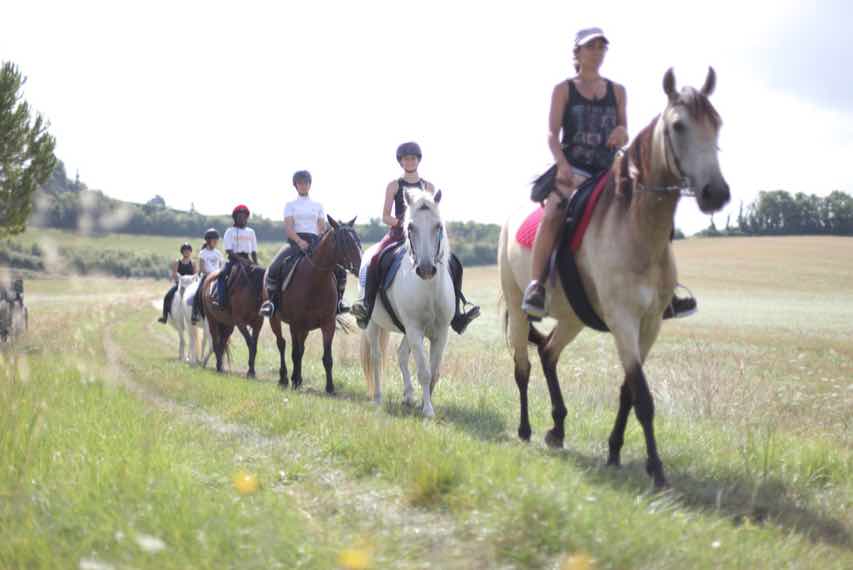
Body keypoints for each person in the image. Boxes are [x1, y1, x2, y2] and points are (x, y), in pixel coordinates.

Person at [521, 27, 697, 320]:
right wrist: (562, 166)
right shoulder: (564, 89)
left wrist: (621, 133)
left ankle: (666, 291)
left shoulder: (617, 91)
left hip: (609, 170)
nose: (598, 51)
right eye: (591, 46)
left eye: (602, 46)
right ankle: (537, 286)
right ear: (577, 52)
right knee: (553, 212)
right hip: (573, 168)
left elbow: (624, 131)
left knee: (654, 210)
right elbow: (552, 134)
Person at [350, 142, 480, 334]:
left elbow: (434, 216)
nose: (409, 161)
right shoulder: (393, 185)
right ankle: (366, 306)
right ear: (400, 162)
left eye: (412, 158)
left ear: (418, 160)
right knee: (375, 259)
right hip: (398, 234)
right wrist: (402, 224)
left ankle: (458, 314)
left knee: (454, 263)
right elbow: (385, 215)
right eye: (405, 159)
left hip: (424, 235)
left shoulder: (428, 186)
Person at [260, 170, 349, 318]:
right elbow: (289, 228)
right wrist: (299, 241)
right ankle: (271, 304)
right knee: (275, 267)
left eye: (306, 183)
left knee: (340, 269)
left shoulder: (317, 205)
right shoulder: (290, 205)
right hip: (295, 242)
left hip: (315, 242)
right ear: (295, 185)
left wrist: (321, 240)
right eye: (300, 183)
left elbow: (321, 227)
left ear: (310, 185)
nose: (304, 185)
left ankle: (339, 303)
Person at [213, 204, 258, 307]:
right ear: (235, 218)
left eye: (244, 216)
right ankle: (220, 299)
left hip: (247, 259)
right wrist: (241, 260)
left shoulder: (251, 232)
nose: (242, 219)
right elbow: (229, 250)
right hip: (233, 259)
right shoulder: (230, 231)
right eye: (239, 216)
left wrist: (256, 264)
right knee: (221, 275)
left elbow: (254, 250)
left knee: (260, 275)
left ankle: (262, 301)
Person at [157, 243, 197, 324]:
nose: (187, 252)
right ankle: (165, 317)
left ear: (190, 252)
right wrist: (179, 280)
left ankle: (195, 316)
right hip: (180, 284)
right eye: (185, 251)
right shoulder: (177, 262)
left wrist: (191, 280)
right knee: (167, 296)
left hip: (190, 285)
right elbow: (174, 274)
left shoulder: (193, 263)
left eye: (188, 251)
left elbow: (195, 275)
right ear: (182, 252)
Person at [191, 228, 224, 324]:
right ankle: (195, 314)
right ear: (209, 241)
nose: (216, 242)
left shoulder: (218, 253)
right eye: (215, 240)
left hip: (218, 276)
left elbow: (221, 266)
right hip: (206, 276)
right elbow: (201, 268)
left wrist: (219, 273)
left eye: (217, 240)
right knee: (198, 292)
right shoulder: (203, 253)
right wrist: (211, 275)